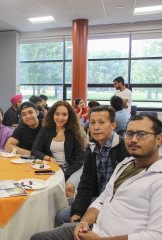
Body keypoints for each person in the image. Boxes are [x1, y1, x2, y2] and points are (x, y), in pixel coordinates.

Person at [30, 114, 162, 240]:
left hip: (113, 236)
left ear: (159, 139)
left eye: (141, 134)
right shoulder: (124, 164)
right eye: (130, 134)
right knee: (38, 237)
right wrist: (84, 222)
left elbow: (156, 236)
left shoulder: (157, 178)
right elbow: (104, 197)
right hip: (95, 229)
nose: (133, 139)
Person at [55, 106, 129, 226]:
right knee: (61, 215)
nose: (96, 127)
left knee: (67, 223)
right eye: (93, 122)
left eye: (101, 122)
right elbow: (86, 184)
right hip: (97, 198)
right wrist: (78, 211)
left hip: (116, 203)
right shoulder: (92, 150)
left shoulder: (124, 148)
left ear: (113, 125)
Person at [31, 101, 88, 196]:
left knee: (67, 188)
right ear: (52, 114)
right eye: (57, 114)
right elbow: (34, 150)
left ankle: (69, 210)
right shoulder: (46, 129)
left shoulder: (75, 131)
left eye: (64, 114)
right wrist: (49, 158)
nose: (60, 118)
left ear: (69, 116)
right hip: (54, 166)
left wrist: (63, 175)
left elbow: (79, 161)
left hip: (74, 168)